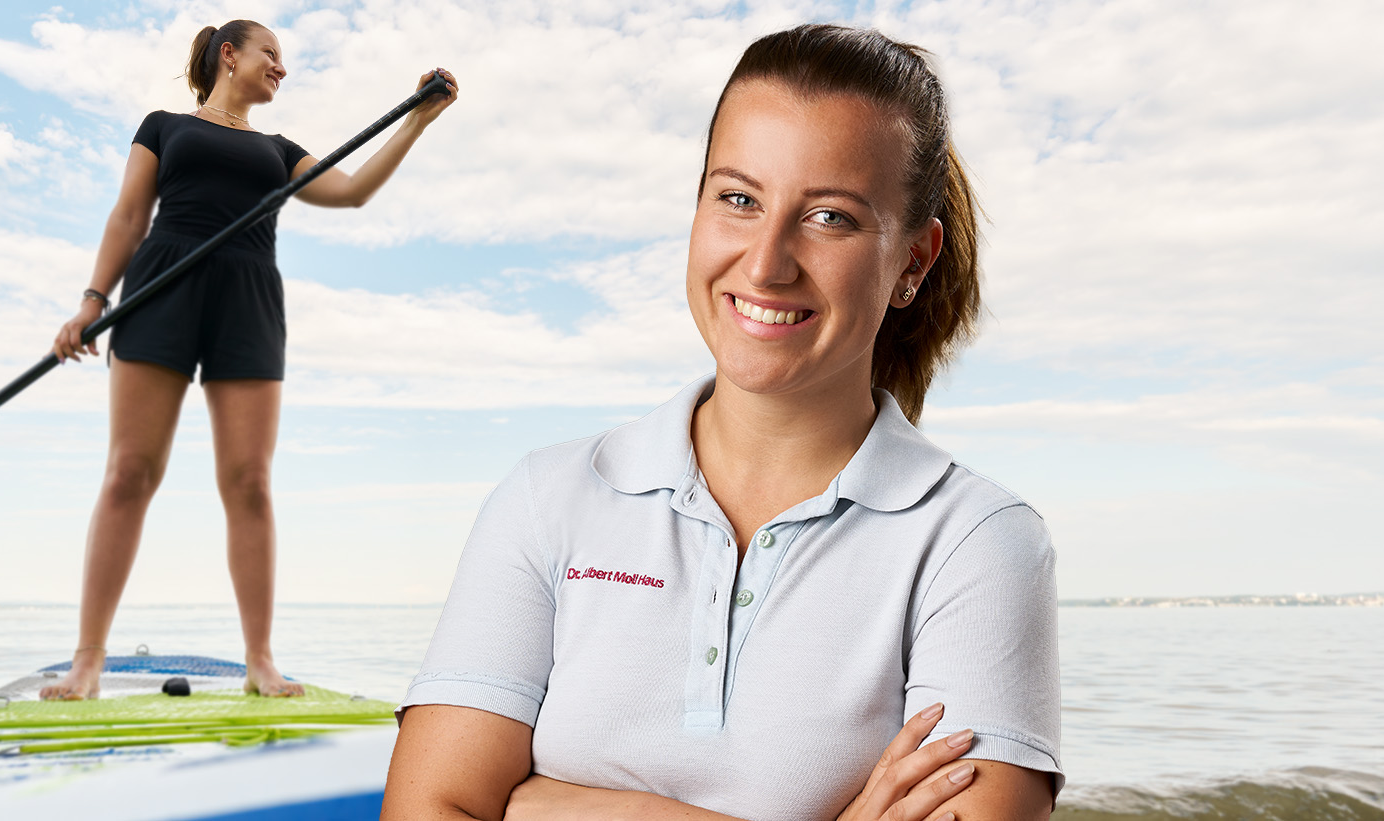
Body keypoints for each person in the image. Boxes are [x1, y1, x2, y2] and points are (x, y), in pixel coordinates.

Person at [382, 25, 1060, 821]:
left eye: (831, 217)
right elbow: (427, 809)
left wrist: (543, 806)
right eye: (739, 199)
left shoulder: (976, 541)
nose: (767, 262)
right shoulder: (549, 497)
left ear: (912, 261)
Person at [39, 20, 458, 700]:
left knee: (250, 482)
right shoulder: (164, 127)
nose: (281, 69)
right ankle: (87, 660)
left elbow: (349, 191)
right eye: (272, 54)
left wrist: (418, 119)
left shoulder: (278, 148)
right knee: (129, 472)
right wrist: (90, 302)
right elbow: (127, 216)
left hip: (248, 297)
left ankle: (260, 659)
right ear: (229, 55)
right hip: (163, 283)